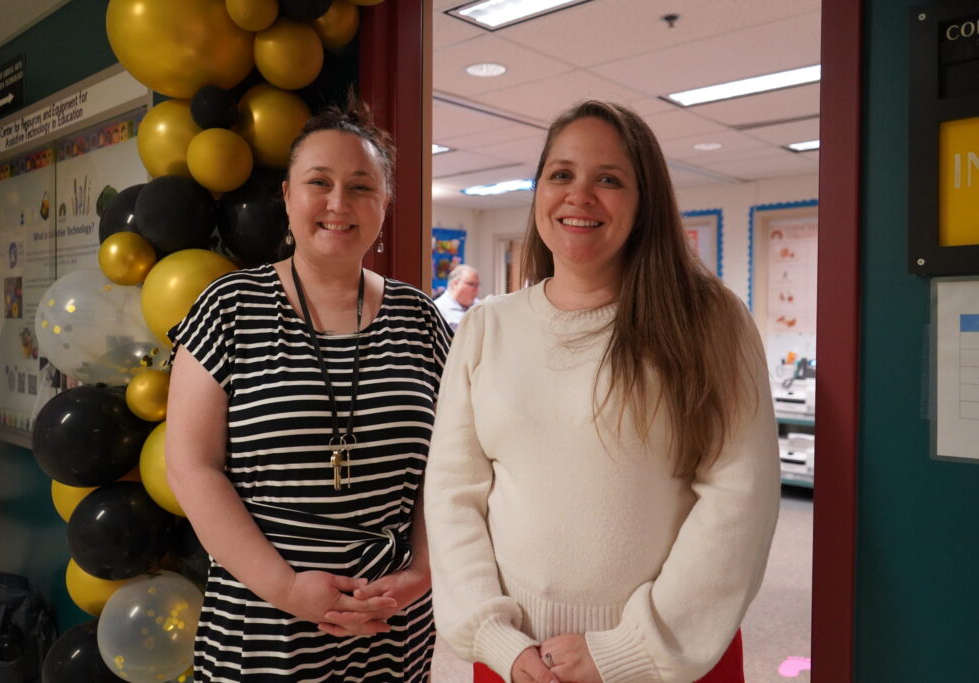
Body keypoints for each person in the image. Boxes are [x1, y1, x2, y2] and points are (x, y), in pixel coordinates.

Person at [424, 100, 780, 683]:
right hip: (517, 658)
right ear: (537, 191)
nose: (579, 195)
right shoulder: (489, 327)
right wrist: (494, 636)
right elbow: (452, 494)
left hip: (664, 661)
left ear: (645, 204)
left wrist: (631, 649)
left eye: (608, 179)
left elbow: (740, 501)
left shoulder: (709, 321)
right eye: (560, 174)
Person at [165, 99, 452, 682]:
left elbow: (446, 466)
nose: (338, 203)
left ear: (384, 205)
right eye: (318, 182)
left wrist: (423, 570)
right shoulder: (229, 308)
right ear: (289, 198)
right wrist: (288, 587)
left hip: (392, 615)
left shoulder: (420, 319)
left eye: (361, 186)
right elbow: (191, 468)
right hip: (264, 617)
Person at [434, 264, 481, 331]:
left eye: (478, 285)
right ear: (455, 284)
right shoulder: (438, 308)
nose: (476, 289)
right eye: (471, 284)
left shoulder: (480, 306)